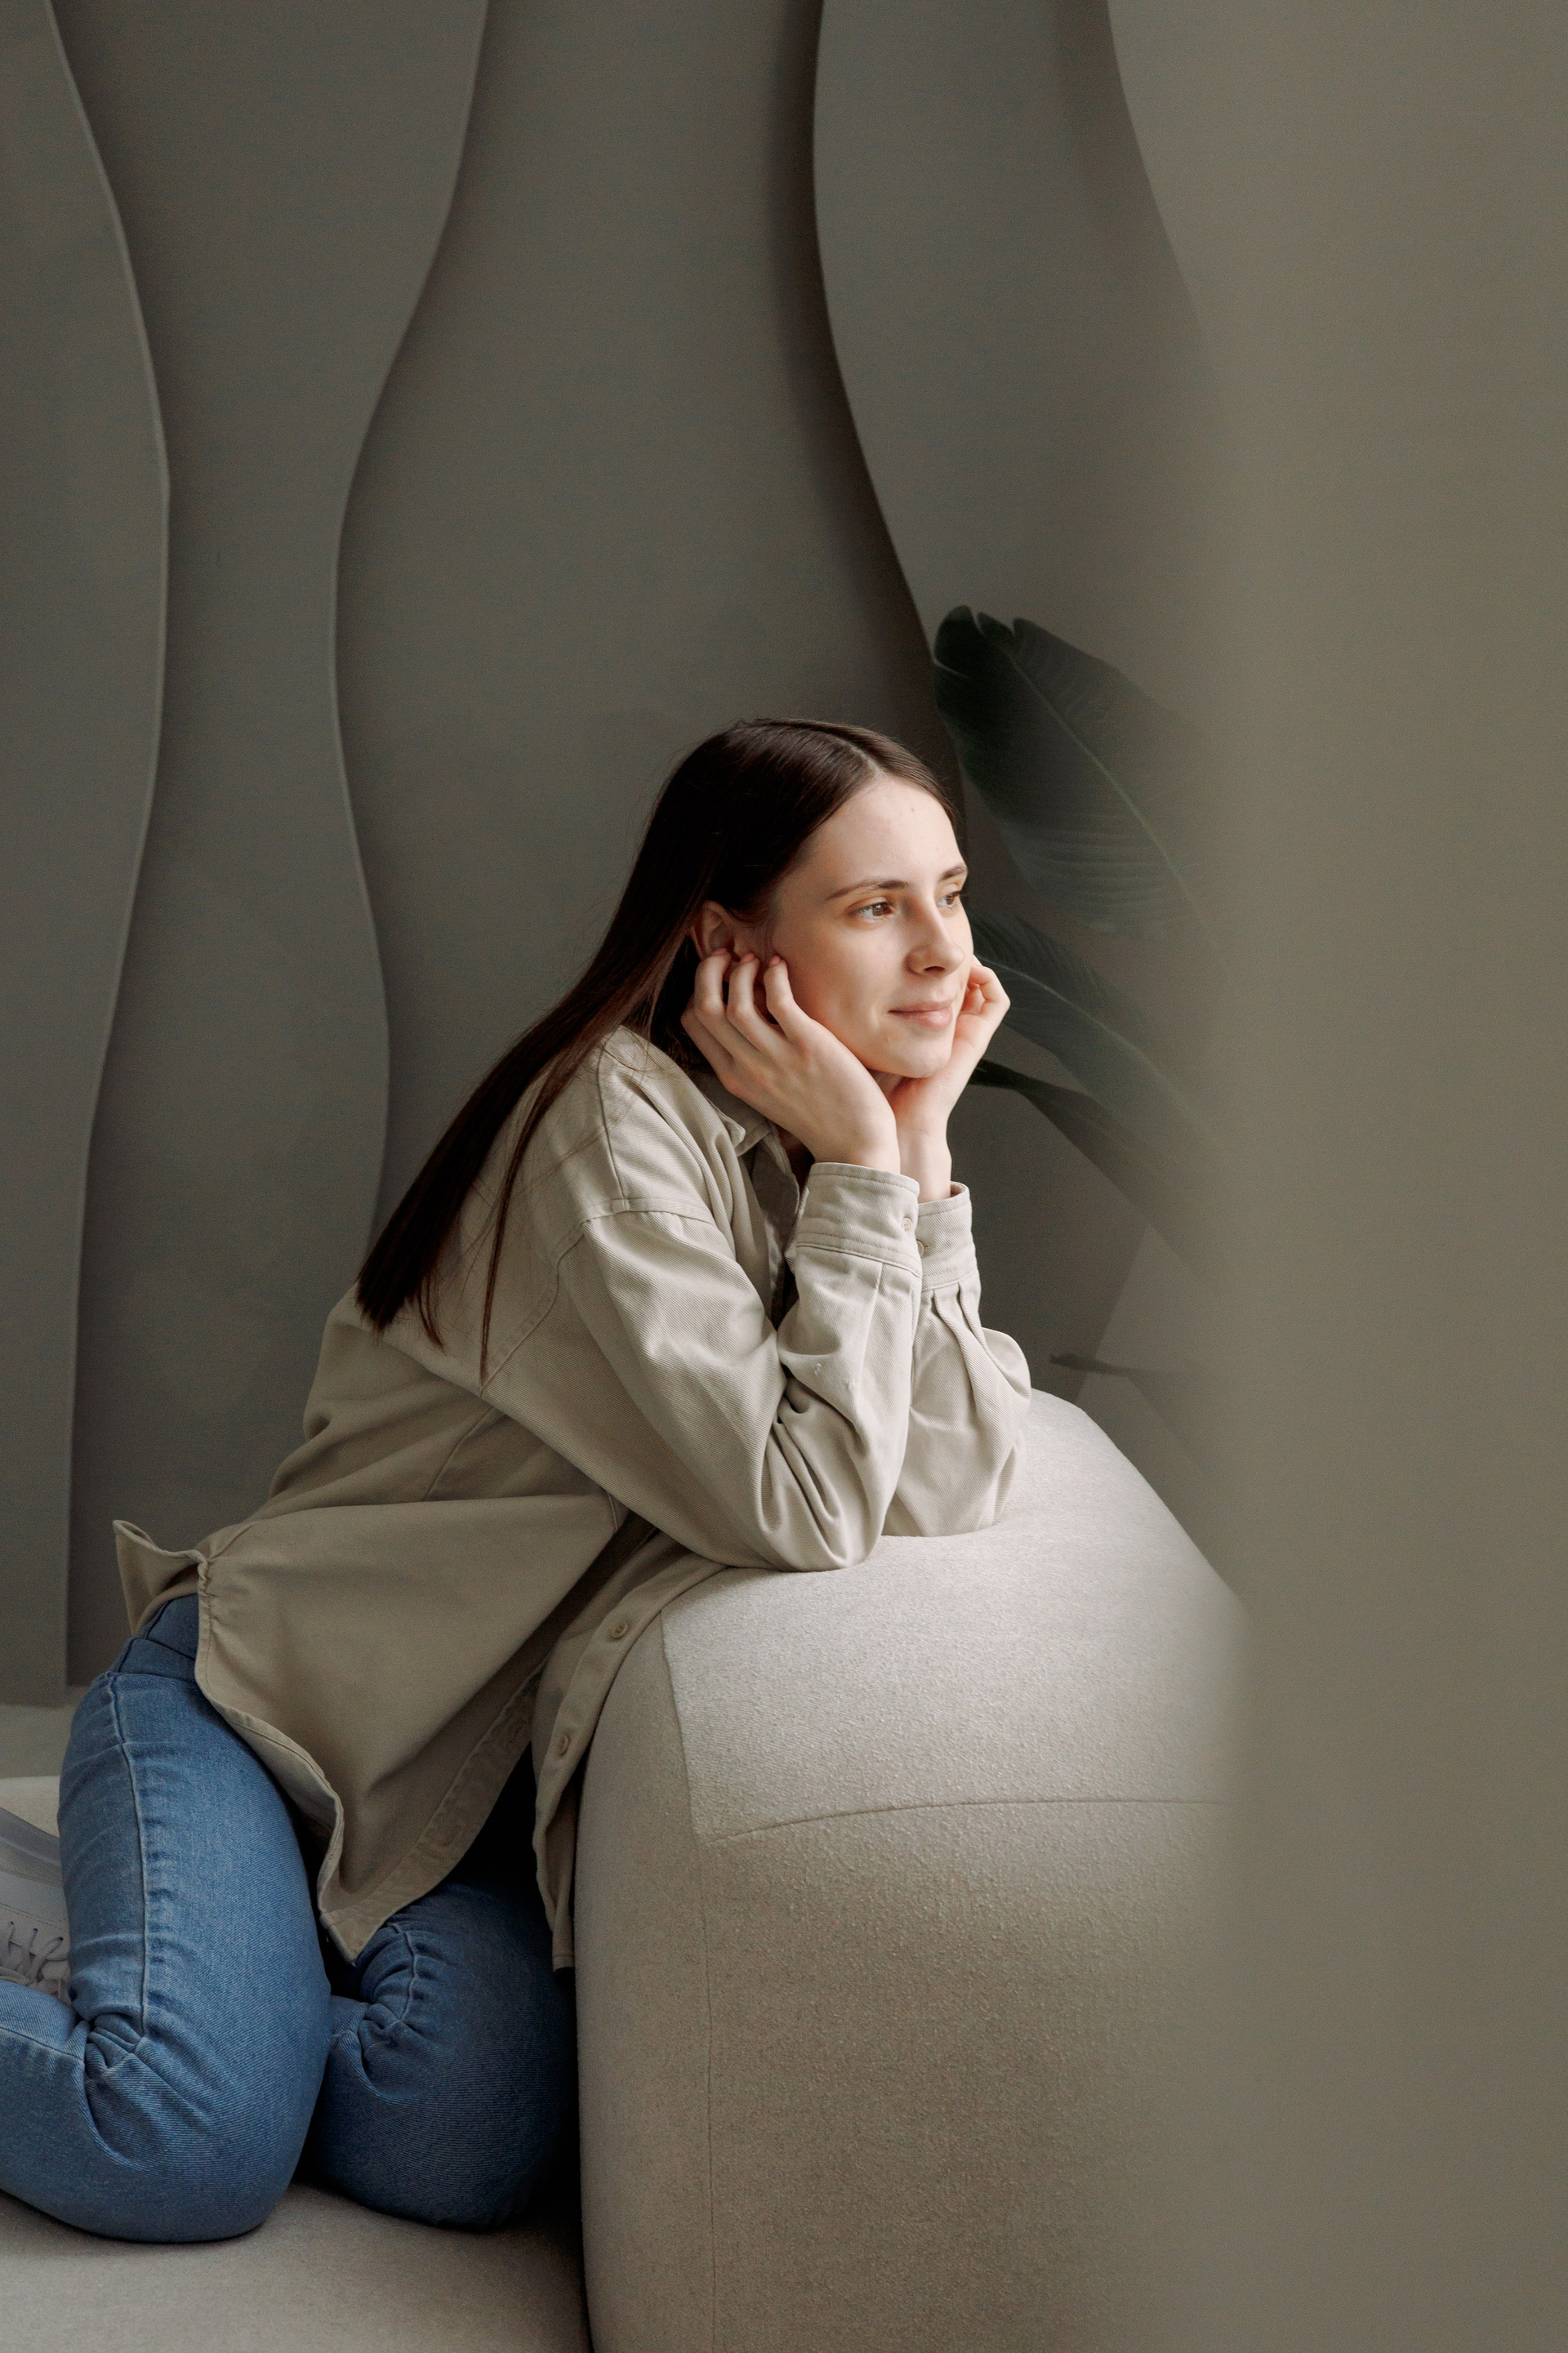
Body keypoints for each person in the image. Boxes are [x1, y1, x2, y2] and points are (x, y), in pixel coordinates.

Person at [0, 718, 1031, 2244]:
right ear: (726, 944)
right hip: (259, 1718)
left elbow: (949, 1477)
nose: (944, 952)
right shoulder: (607, 1130)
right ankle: (191, 1999)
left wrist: (917, 1152)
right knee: (180, 2141)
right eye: (877, 906)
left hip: (445, 1807)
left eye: (949, 894)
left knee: (459, 2140)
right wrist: (876, 1177)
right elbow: (807, 1508)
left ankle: (163, 1959)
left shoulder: (813, 1153)